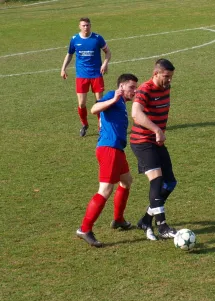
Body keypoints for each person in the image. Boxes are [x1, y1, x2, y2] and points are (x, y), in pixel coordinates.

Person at [76, 73, 139, 247]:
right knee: (105, 190)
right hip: (108, 149)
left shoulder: (121, 103)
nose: (134, 90)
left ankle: (118, 219)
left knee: (126, 181)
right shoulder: (113, 95)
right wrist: (113, 99)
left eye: (135, 87)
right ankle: (85, 228)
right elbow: (94, 109)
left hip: (117, 149)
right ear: (122, 86)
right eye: (131, 87)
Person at [130, 58, 178, 241]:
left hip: (157, 143)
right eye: (166, 76)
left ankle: (145, 220)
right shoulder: (145, 89)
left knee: (170, 183)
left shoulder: (166, 87)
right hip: (142, 142)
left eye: (171, 77)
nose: (169, 80)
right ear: (155, 74)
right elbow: (136, 113)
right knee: (157, 180)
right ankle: (162, 226)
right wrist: (157, 129)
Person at [60, 17, 111, 137]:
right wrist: (63, 68)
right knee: (82, 103)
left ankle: (101, 126)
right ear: (79, 26)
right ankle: (84, 124)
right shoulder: (74, 39)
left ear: (90, 26)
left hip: (96, 75)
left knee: (99, 101)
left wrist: (105, 63)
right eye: (83, 25)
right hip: (81, 75)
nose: (86, 27)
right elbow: (69, 55)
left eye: (87, 25)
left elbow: (108, 52)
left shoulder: (97, 38)